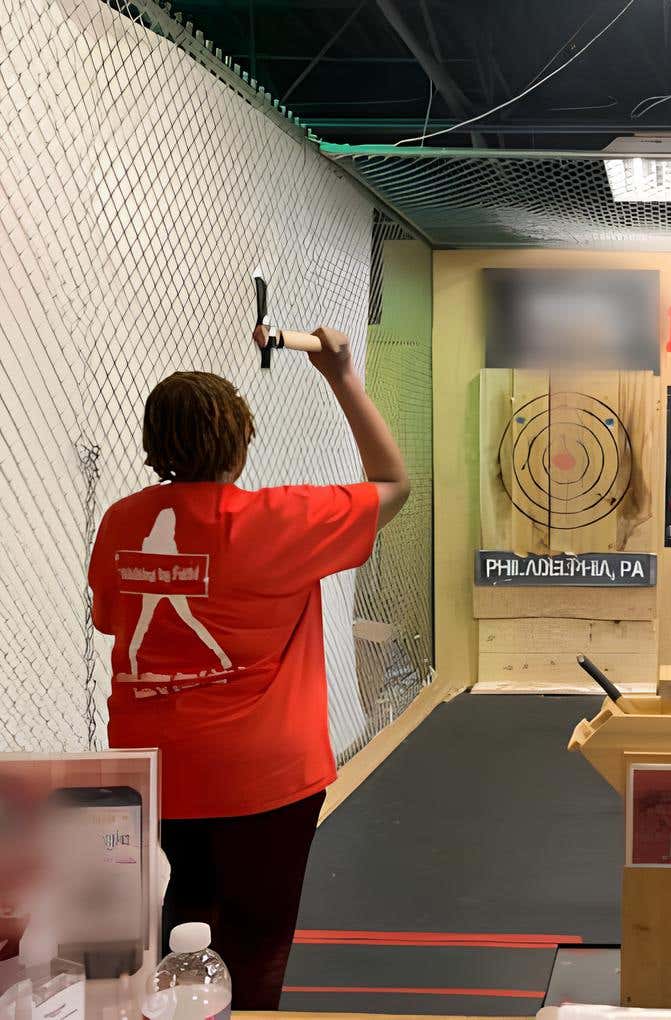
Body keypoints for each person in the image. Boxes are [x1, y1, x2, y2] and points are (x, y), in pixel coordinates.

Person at [87, 326, 409, 1008]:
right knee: (255, 946)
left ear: (155, 444)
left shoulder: (121, 522)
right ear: (239, 443)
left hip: (160, 773)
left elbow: (110, 618)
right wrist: (341, 376)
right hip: (265, 780)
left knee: (186, 922)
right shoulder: (277, 520)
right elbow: (393, 484)